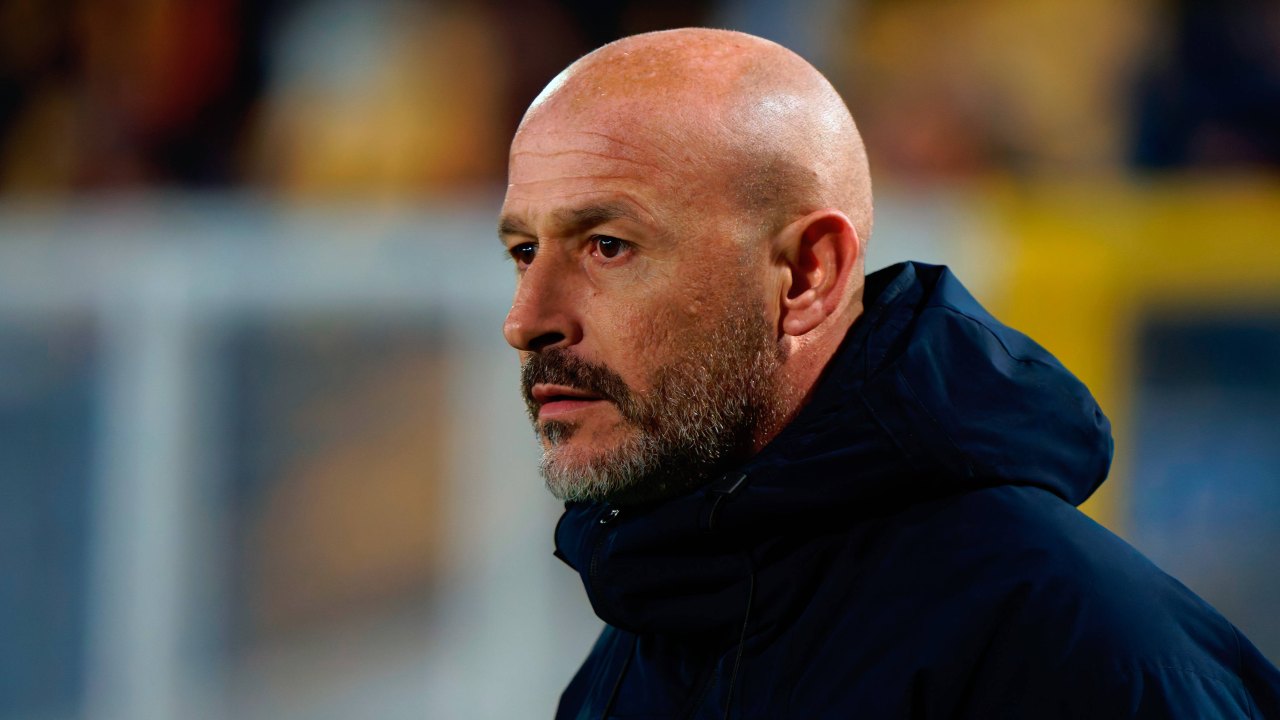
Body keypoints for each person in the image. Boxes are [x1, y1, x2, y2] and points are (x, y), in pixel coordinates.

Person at [498, 28, 1280, 719]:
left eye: (608, 246)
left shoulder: (1074, 650)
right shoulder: (641, 638)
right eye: (525, 251)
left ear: (806, 275)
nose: (526, 321)